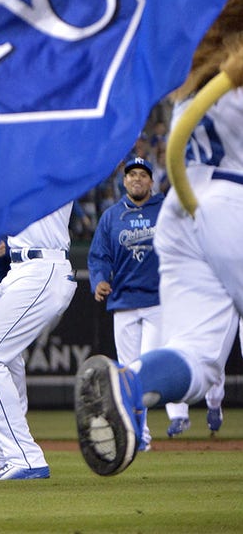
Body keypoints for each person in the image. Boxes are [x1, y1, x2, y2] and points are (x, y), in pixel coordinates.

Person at [76, 0, 243, 477]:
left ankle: (130, 384)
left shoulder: (192, 86)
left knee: (197, 357)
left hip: (183, 210)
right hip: (233, 203)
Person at [0, 203, 75, 480]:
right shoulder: (15, 170)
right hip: (18, 269)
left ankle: (25, 457)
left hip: (44, 266)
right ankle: (6, 456)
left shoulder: (52, 163)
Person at [88, 156, 183, 447]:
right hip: (124, 301)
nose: (137, 179)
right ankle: (140, 435)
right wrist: (99, 280)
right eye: (132, 175)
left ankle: (171, 415)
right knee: (128, 372)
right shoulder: (112, 216)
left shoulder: (166, 209)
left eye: (142, 174)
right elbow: (99, 255)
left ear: (151, 181)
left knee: (145, 368)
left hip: (157, 300)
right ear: (124, 181)